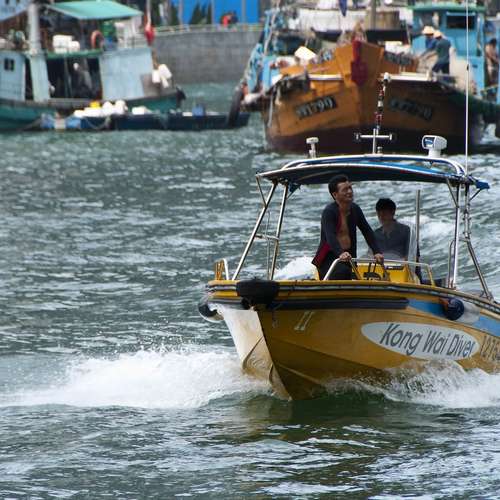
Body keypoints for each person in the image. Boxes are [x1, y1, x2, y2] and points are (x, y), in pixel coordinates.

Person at [312, 175, 384, 280]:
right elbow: (330, 236)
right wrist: (340, 253)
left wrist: (376, 251)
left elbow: (367, 231)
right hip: (330, 257)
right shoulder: (329, 212)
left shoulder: (355, 209)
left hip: (349, 255)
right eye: (345, 189)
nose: (350, 191)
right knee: (343, 272)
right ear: (335, 194)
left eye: (350, 188)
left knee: (350, 274)